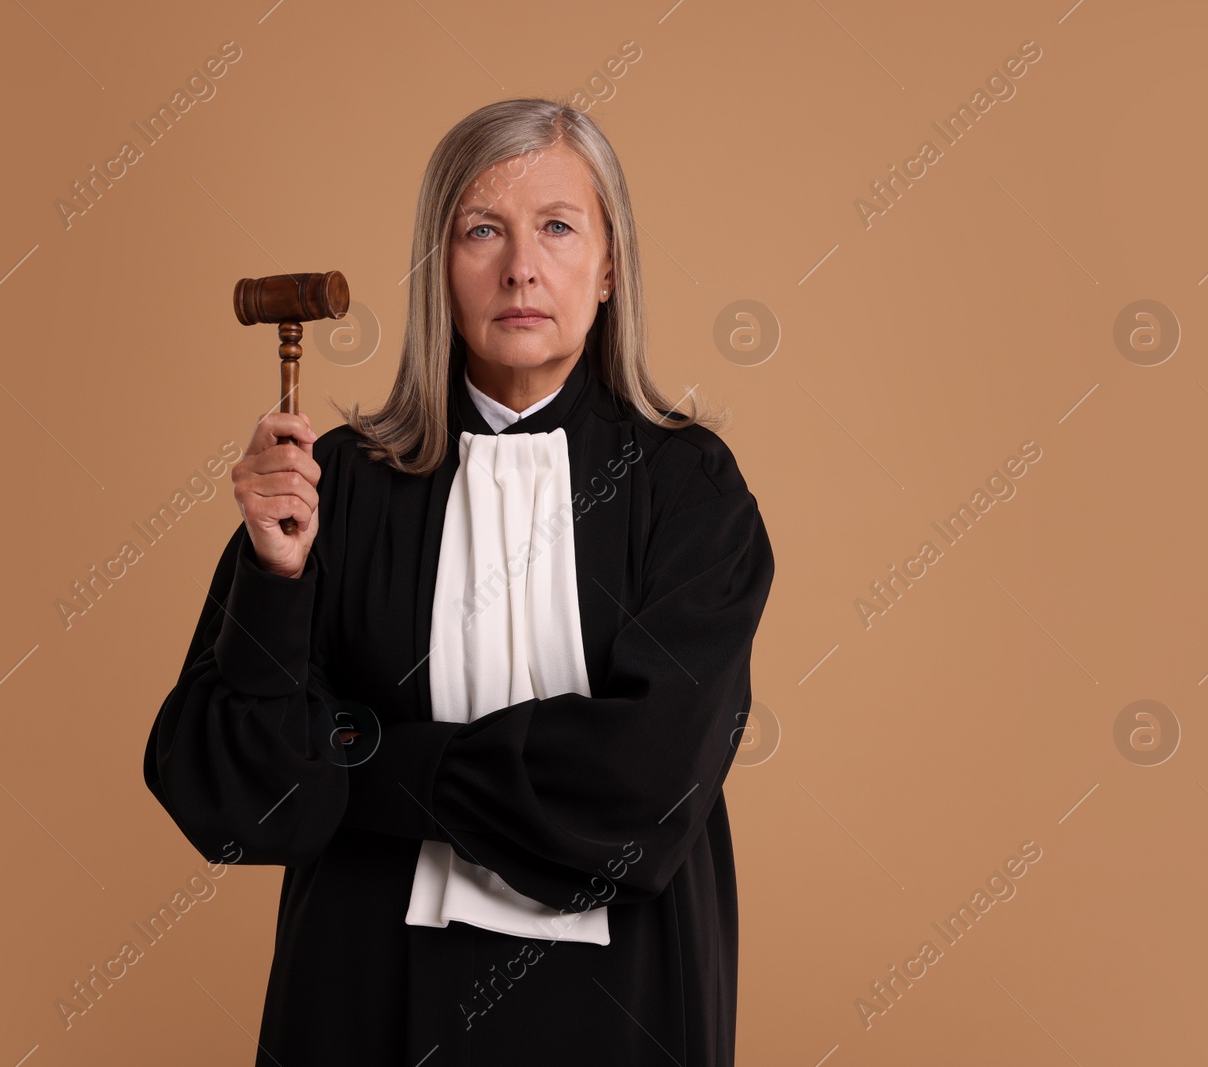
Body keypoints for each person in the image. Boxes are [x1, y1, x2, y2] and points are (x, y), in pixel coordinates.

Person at [142, 96, 775, 1066]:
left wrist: (362, 762)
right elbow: (236, 801)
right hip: (364, 996)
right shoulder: (337, 485)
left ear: (608, 265)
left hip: (624, 1006)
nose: (521, 266)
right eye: (483, 229)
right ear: (439, 265)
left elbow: (641, 790)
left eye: (557, 227)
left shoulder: (689, 488)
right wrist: (275, 578)